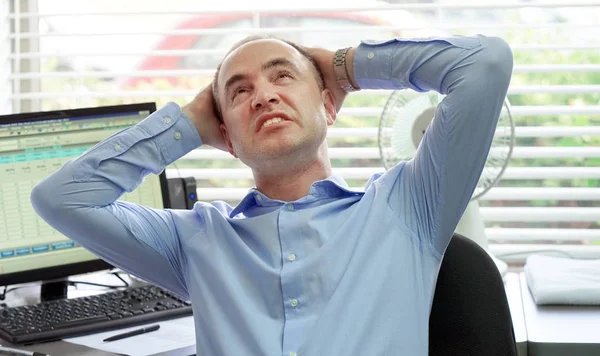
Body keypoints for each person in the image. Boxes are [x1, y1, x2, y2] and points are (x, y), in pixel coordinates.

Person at [31, 33, 513, 355]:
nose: (262, 95)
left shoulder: (406, 207)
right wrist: (187, 125)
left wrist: (345, 68)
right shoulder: (198, 241)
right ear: (228, 141)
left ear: (329, 106)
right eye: (239, 93)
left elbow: (485, 64)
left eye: (283, 76)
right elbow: (61, 198)